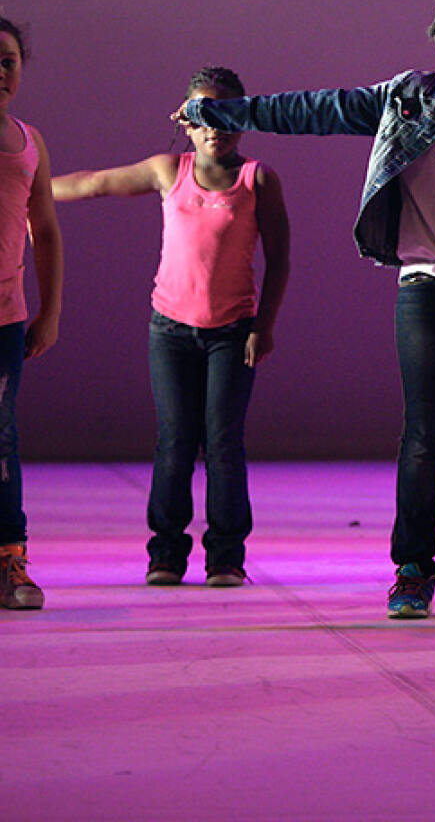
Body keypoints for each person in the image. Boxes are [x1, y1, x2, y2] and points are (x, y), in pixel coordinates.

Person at [172, 0, 435, 619]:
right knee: (422, 437)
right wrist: (225, 112)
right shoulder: (406, 98)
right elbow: (315, 110)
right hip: (425, 288)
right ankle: (412, 572)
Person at [54, 67, 289, 587]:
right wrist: (28, 188)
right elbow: (94, 183)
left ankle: (226, 555)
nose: (215, 128)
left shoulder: (257, 180)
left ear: (243, 118)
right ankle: (166, 551)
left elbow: (280, 259)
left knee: (222, 442)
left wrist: (264, 327)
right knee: (175, 440)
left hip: (232, 332)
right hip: (170, 331)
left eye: (226, 114)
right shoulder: (169, 171)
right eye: (203, 116)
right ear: (185, 120)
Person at [0, 17, 64, 610]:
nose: (0, 71)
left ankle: (10, 560)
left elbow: (43, 230)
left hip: (6, 318)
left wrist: (50, 311)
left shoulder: (29, 141)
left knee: (1, 435)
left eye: (9, 61)